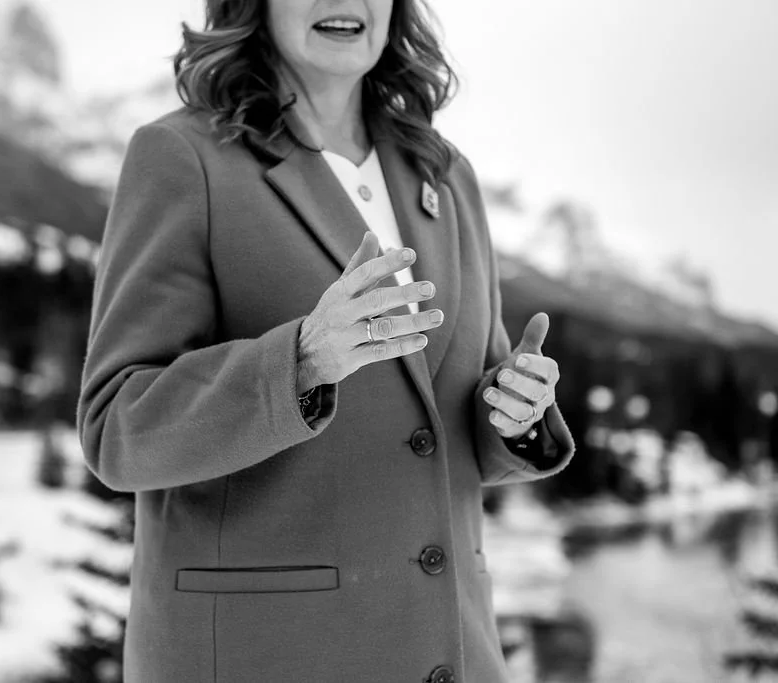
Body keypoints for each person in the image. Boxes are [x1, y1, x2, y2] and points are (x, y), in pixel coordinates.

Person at [77, 1, 576, 681]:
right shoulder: (183, 158)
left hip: (448, 653)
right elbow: (117, 426)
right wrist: (301, 361)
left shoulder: (445, 176)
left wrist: (514, 415)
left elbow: (439, 434)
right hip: (267, 657)